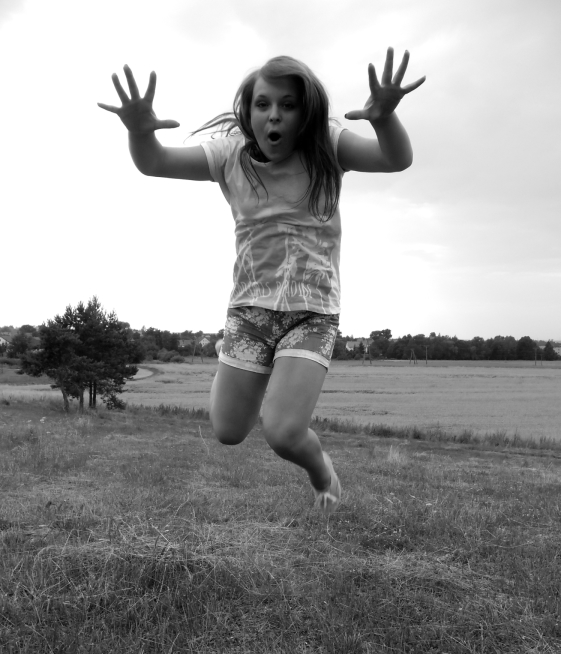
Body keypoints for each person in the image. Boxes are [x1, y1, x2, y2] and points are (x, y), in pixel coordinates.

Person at [98, 48, 425, 513]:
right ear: (248, 112)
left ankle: (322, 473)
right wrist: (138, 131)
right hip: (249, 313)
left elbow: (395, 159)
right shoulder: (229, 154)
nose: (274, 115)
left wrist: (385, 119)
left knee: (284, 433)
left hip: (312, 314)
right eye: (263, 104)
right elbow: (154, 162)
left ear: (305, 113)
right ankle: (229, 355)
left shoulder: (328, 146)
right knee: (228, 431)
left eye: (288, 105)